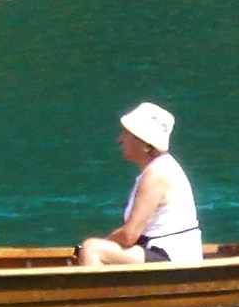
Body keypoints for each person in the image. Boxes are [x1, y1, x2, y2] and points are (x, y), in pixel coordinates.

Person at [77, 102, 203, 266]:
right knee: (95, 248)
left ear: (144, 143)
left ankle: (95, 292)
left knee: (92, 249)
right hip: (161, 251)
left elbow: (130, 235)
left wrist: (103, 243)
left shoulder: (156, 176)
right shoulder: (158, 169)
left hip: (173, 258)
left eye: (126, 134)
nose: (120, 140)